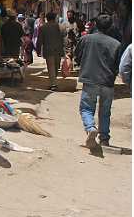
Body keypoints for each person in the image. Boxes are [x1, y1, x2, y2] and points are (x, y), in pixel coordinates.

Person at [75, 14, 123, 151]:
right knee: (105, 111)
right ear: (111, 27)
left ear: (95, 24)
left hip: (90, 79)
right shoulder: (116, 44)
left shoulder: (85, 39)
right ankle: (104, 139)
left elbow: (77, 56)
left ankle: (90, 128)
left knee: (86, 108)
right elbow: (117, 66)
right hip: (108, 82)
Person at [37, 12, 64, 91]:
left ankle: (53, 83)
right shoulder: (60, 26)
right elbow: (64, 38)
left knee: (51, 67)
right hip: (58, 50)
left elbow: (40, 40)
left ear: (47, 18)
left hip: (48, 50)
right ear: (55, 18)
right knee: (56, 67)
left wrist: (38, 50)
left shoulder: (43, 27)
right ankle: (54, 83)